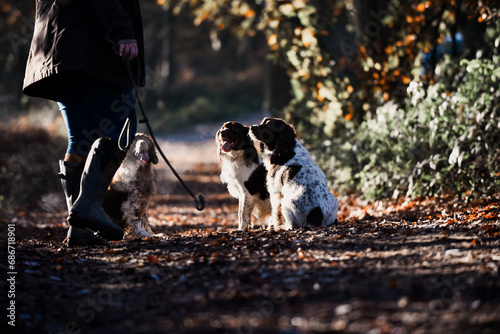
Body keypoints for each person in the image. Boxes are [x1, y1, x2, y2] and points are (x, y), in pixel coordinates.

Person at [23, 0, 145, 246]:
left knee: (81, 138)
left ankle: (80, 229)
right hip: (92, 49)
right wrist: (122, 30)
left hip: (56, 52)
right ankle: (88, 207)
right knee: (120, 128)